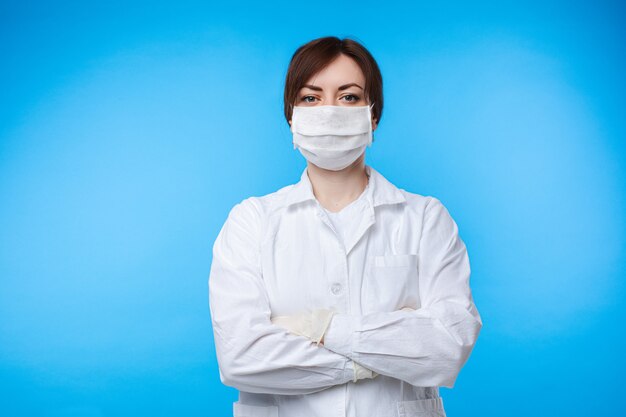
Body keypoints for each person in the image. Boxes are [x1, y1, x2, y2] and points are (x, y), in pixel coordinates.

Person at [208, 36, 482, 417]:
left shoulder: (424, 219)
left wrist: (319, 328)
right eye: (310, 97)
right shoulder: (251, 222)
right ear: (291, 116)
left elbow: (448, 347)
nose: (329, 110)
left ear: (373, 115)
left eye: (349, 97)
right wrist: (383, 353)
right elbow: (241, 356)